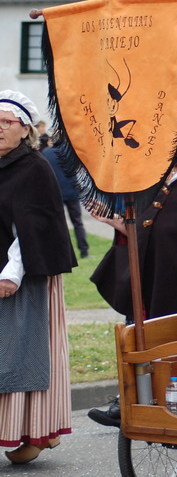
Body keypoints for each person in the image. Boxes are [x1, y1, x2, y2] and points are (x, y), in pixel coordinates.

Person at [87, 135, 177, 427]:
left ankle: (162, 404)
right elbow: (144, 232)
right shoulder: (156, 191)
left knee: (167, 350)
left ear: (175, 162)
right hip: (152, 283)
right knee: (142, 343)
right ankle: (134, 403)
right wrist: (113, 220)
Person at [0, 90, 76, 464]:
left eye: (6, 122)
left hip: (23, 276)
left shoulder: (33, 167)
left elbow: (29, 227)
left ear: (24, 128)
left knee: (21, 354)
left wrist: (12, 273)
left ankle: (32, 431)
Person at [42, 142, 90, 259]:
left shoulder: (46, 153)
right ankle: (84, 251)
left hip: (55, 192)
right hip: (71, 191)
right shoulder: (71, 152)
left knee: (58, 223)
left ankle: (62, 252)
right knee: (77, 222)